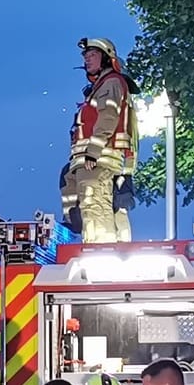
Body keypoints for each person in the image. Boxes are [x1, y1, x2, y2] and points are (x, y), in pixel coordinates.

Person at [60, 37, 139, 243]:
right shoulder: (101, 87)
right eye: (85, 56)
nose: (87, 59)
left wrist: (92, 152)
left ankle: (102, 249)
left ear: (106, 58)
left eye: (93, 55)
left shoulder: (111, 82)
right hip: (91, 159)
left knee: (94, 204)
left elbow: (108, 117)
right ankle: (92, 239)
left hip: (99, 158)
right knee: (83, 198)